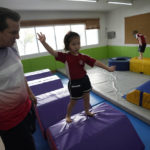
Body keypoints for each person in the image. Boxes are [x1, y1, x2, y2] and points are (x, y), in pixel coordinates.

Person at [37, 31, 115, 123]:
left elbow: (96, 62)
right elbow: (53, 52)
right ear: (68, 45)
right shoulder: (65, 57)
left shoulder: (83, 56)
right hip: (74, 83)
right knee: (73, 101)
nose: (76, 46)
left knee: (87, 97)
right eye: (73, 44)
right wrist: (43, 42)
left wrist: (108, 68)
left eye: (78, 43)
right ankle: (68, 115)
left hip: (85, 80)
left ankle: (87, 111)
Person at [0, 7, 37, 150]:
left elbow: (19, 74)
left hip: (27, 109)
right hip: (9, 122)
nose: (18, 37)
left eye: (18, 31)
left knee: (31, 137)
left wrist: (30, 93)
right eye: (13, 32)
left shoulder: (12, 45)